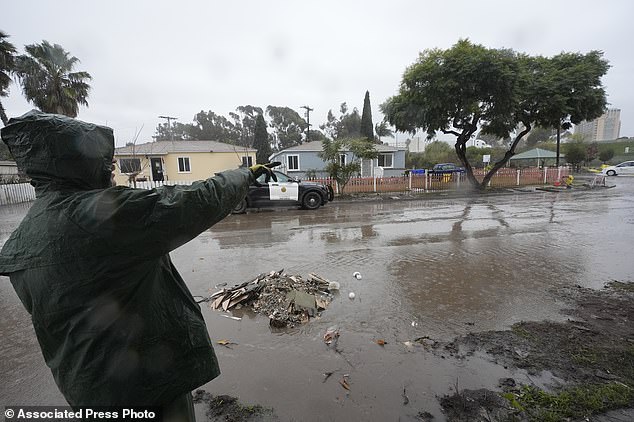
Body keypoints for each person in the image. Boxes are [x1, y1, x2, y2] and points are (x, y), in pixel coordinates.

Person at [0, 110, 278, 421]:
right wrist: (244, 174)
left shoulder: (21, 241)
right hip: (147, 381)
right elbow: (191, 201)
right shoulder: (100, 215)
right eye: (104, 163)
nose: (110, 171)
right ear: (78, 164)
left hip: (87, 388)